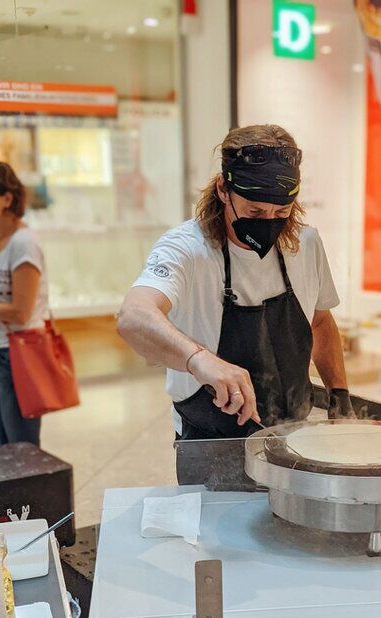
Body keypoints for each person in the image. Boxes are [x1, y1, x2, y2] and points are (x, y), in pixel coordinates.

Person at [118, 124, 353, 440]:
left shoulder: (305, 243)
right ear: (222, 189)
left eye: (281, 211)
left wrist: (339, 395)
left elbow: (321, 322)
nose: (268, 223)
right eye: (254, 211)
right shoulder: (187, 248)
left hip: (293, 434)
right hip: (209, 439)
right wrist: (199, 360)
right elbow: (133, 316)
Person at [0, 161, 49, 446]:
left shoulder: (23, 243)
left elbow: (20, 311)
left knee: (20, 449)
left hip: (16, 354)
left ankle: (26, 494)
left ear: (7, 198)